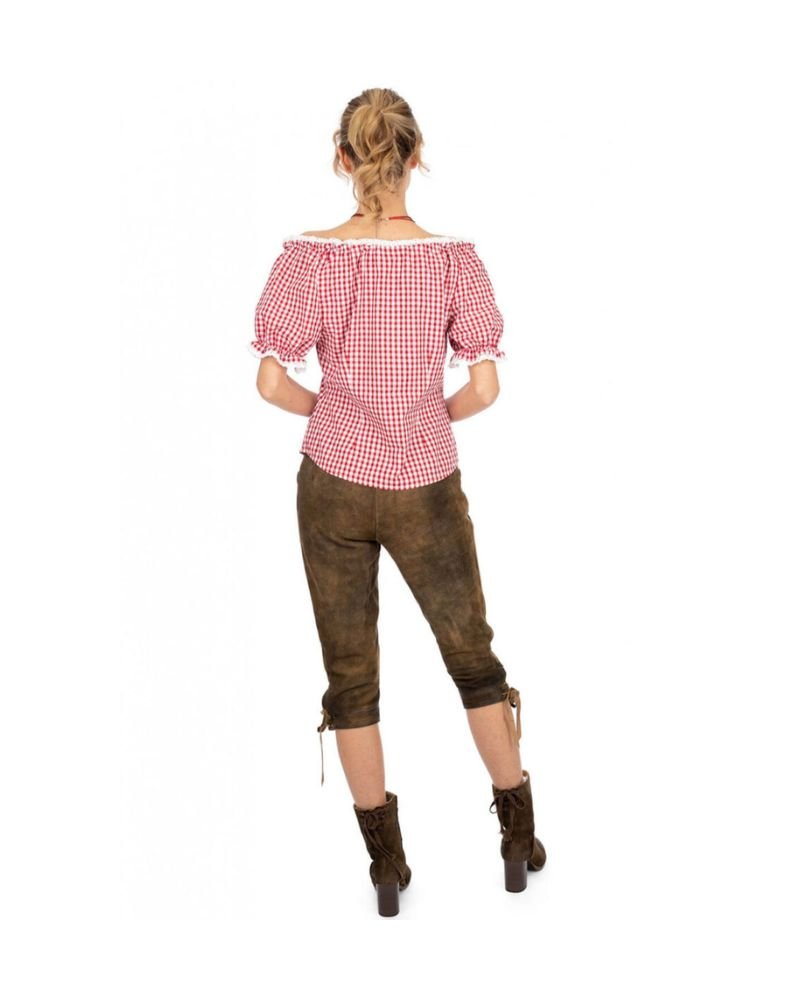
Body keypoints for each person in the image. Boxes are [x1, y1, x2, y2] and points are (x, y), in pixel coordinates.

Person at [248, 87, 546, 916]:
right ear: (416, 156)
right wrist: (426, 418)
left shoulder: (306, 258)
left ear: (342, 158)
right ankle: (518, 836)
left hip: (331, 485)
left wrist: (333, 412)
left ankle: (385, 865)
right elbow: (483, 389)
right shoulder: (454, 261)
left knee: (351, 679)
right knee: (473, 660)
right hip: (425, 483)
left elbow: (270, 382)